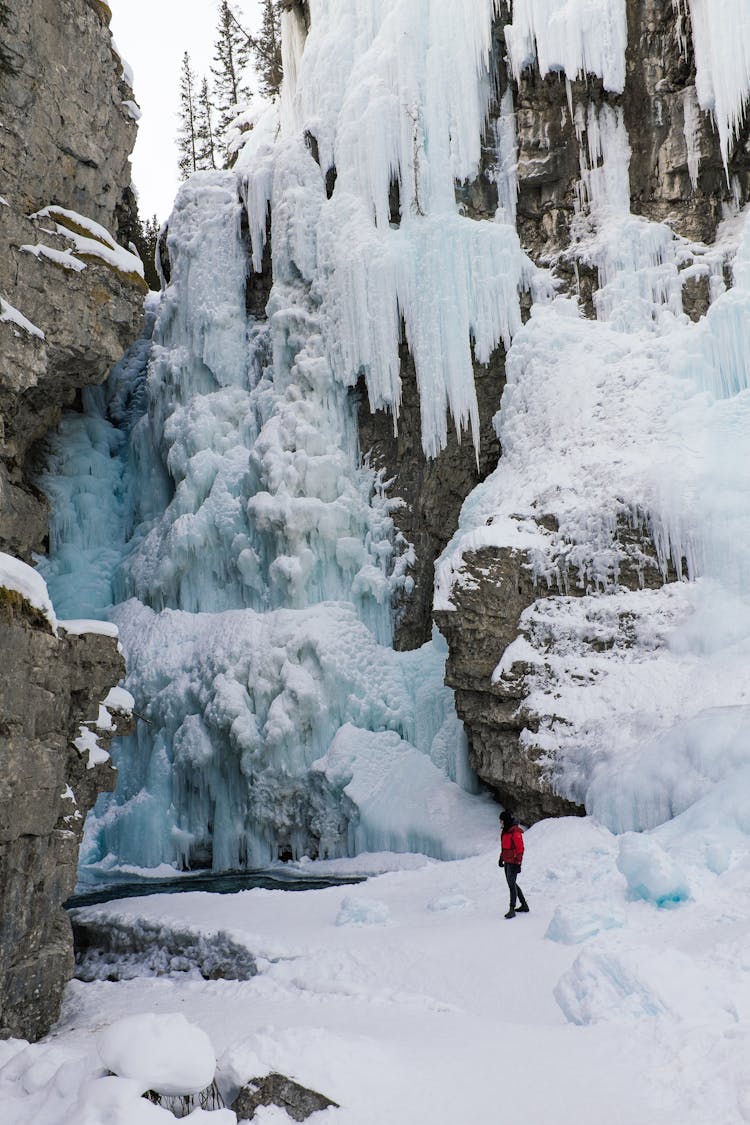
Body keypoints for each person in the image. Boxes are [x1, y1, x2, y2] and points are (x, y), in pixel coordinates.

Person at [498, 811, 529, 919]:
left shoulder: (515, 832)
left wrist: (518, 863)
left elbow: (520, 849)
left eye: (501, 820)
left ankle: (512, 909)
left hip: (513, 862)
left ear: (505, 820)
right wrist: (501, 858)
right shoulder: (505, 831)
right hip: (507, 861)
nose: (500, 822)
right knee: (512, 883)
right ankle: (524, 905)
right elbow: (505, 847)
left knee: (511, 885)